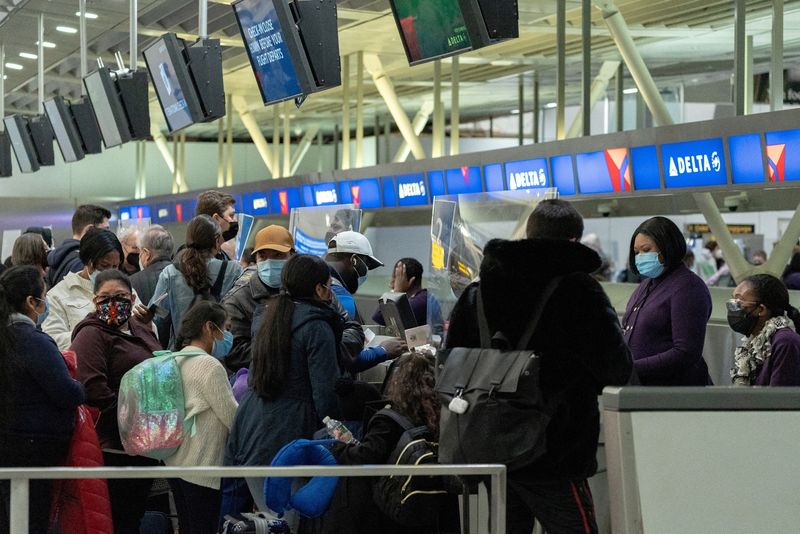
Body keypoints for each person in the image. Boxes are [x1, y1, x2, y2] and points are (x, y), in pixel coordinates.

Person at [446, 199, 632, 534]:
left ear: (529, 234)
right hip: (554, 449)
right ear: (573, 242)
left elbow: (450, 358)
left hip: (491, 442)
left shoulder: (479, 290)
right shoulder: (579, 290)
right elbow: (616, 368)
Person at [224, 254, 342, 485]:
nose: (331, 293)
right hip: (291, 435)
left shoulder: (267, 316)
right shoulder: (316, 326)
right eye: (329, 286)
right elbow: (325, 395)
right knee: (290, 516)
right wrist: (341, 437)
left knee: (266, 515)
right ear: (318, 289)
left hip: (252, 426)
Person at [322, 352, 455, 534]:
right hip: (432, 506)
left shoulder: (389, 419)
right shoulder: (442, 417)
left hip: (391, 510)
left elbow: (366, 457)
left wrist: (339, 446)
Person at [72, 269, 161, 534]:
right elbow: (93, 389)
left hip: (144, 444)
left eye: (120, 296)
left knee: (132, 518)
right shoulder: (90, 334)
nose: (113, 303)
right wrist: (131, 419)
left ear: (132, 299)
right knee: (118, 520)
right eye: (105, 298)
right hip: (113, 447)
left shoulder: (139, 328)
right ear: (94, 301)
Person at [0, 266, 85, 534]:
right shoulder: (33, 342)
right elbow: (66, 393)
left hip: (7, 442)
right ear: (31, 302)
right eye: (44, 296)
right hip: (33, 447)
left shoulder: (6, 338)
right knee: (32, 520)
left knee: (8, 519)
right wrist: (82, 387)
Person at [166, 301, 238, 534]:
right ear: (209, 327)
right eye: (224, 328)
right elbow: (232, 417)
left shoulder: (175, 360)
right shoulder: (209, 365)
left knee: (187, 526)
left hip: (175, 463)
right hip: (202, 466)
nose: (227, 335)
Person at [622, 216, 713, 385]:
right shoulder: (646, 285)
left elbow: (685, 352)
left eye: (646, 249)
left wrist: (632, 367)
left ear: (667, 248)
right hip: (642, 386)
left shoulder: (688, 287)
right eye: (636, 252)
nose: (640, 257)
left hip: (673, 392)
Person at [149, 215, 242, 349]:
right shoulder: (234, 270)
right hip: (223, 354)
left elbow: (159, 317)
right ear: (216, 241)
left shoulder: (170, 273)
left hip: (183, 355)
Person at [223, 225, 295, 373]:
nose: (269, 262)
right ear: (255, 259)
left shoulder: (307, 288)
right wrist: (289, 352)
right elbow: (234, 352)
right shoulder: (239, 300)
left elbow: (348, 327)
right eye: (263, 256)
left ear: (293, 256)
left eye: (277, 255)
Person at [43, 228, 125, 351]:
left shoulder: (124, 289)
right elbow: (53, 340)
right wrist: (93, 333)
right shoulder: (58, 295)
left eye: (115, 266)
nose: (110, 272)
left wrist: (144, 322)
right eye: (104, 266)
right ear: (88, 262)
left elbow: (146, 333)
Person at [729, 274, 800, 386]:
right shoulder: (755, 343)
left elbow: (779, 400)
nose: (733, 305)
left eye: (739, 300)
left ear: (761, 310)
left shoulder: (786, 342)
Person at [371, 258, 444, 336]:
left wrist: (397, 291)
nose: (391, 283)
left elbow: (380, 317)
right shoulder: (422, 297)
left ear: (411, 281)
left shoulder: (420, 301)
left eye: (396, 277)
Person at [130, 225, 174, 348]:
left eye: (139, 252)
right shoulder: (183, 276)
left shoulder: (132, 282)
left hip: (148, 349)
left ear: (146, 253)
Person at [47, 204, 111, 287]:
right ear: (90, 230)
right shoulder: (83, 263)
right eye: (105, 230)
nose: (108, 235)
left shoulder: (59, 256)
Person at [325, 230, 383, 322]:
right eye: (367, 265)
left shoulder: (310, 278)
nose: (366, 271)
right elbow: (356, 334)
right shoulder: (341, 297)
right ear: (354, 260)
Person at [196, 190, 238, 260]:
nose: (235, 220)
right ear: (216, 219)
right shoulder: (195, 261)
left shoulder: (220, 255)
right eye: (231, 216)